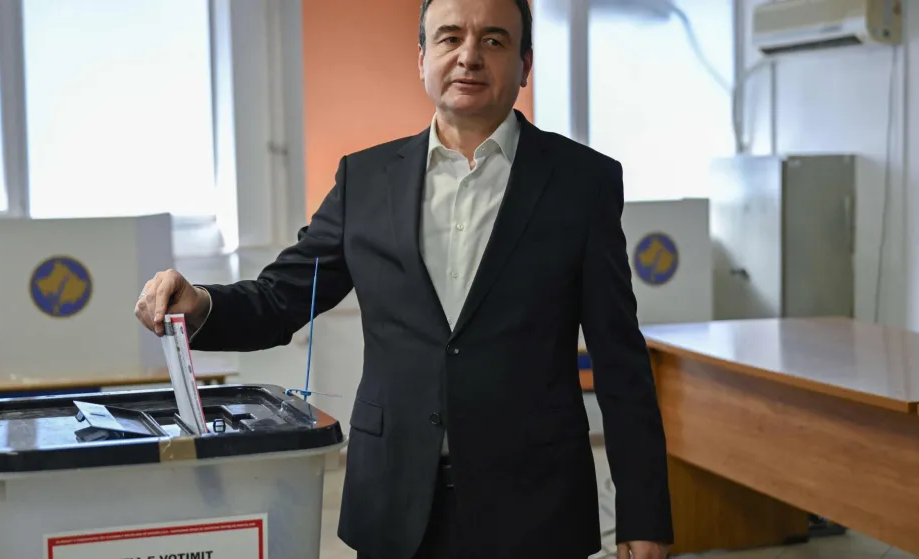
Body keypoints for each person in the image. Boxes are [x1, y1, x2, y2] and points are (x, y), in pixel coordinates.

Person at [135, 0, 673, 557]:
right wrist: (200, 303)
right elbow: (281, 298)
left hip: (535, 505)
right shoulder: (366, 180)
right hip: (393, 501)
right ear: (421, 59)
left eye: (493, 40)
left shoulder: (583, 183)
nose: (469, 56)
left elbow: (620, 360)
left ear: (525, 64)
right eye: (449, 38)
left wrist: (644, 515)